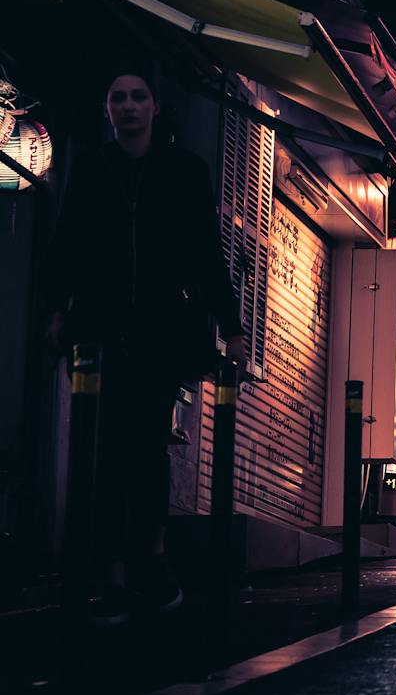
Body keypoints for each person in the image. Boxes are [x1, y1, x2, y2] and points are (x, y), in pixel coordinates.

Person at [47, 70, 246, 623]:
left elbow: (207, 255)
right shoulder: (91, 168)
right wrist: (57, 309)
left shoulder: (185, 172)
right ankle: (110, 576)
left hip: (160, 331)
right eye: (117, 98)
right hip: (98, 330)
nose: (128, 106)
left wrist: (231, 327)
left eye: (137, 97)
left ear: (157, 107)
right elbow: (65, 243)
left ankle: (151, 557)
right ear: (105, 109)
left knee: (147, 447)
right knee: (103, 454)